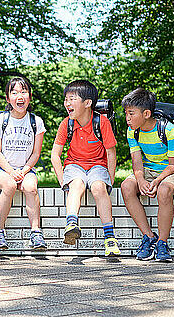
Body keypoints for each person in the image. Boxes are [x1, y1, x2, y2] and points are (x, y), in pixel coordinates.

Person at [51, 80, 120, 257]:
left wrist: (109, 181)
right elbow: (55, 155)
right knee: (76, 185)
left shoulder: (102, 122)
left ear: (87, 103)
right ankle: (71, 223)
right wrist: (62, 180)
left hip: (98, 165)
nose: (67, 104)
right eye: (65, 99)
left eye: (72, 99)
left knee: (98, 187)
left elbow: (111, 153)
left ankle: (109, 238)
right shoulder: (66, 124)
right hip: (74, 166)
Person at [121, 88, 174, 262]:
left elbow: (173, 166)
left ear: (146, 113)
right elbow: (137, 161)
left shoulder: (168, 129)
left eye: (131, 113)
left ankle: (162, 243)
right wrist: (141, 179)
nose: (127, 118)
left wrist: (157, 181)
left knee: (164, 191)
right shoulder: (133, 131)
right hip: (150, 169)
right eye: (126, 113)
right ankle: (149, 237)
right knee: (126, 186)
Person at [0, 77, 46, 250]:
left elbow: (36, 153)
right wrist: (11, 171)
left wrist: (25, 170)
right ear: (8, 98)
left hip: (26, 169)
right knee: (10, 185)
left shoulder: (37, 122)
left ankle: (36, 233)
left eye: (23, 91)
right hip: (0, 169)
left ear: (29, 96)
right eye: (14, 92)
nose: (19, 96)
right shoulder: (0, 120)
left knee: (31, 187)